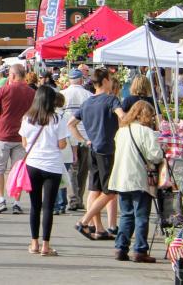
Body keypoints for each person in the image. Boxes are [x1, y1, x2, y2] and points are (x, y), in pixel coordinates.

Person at [71, 67, 125, 241]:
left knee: (95, 189)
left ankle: (99, 228)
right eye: (110, 78)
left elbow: (71, 123)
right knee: (111, 190)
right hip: (108, 149)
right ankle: (84, 221)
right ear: (105, 81)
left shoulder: (87, 102)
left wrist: (83, 139)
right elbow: (122, 116)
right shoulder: (111, 100)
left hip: (93, 147)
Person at [109, 101, 163, 263]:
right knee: (141, 215)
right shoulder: (147, 132)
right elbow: (156, 156)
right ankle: (140, 250)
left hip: (121, 177)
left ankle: (121, 247)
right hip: (138, 178)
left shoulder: (121, 131)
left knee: (126, 214)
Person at [19, 86, 69, 257]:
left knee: (35, 205)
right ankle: (46, 246)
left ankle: (34, 243)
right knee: (48, 206)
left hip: (32, 164)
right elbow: (62, 144)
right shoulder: (57, 119)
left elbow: (24, 144)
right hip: (52, 165)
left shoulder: (27, 118)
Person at [0, 63, 36, 215]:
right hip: (22, 136)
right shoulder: (32, 92)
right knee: (18, 171)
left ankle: (1, 200)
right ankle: (16, 202)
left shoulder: (4, 90)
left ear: (13, 75)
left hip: (2, 134)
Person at [62, 69, 93, 212]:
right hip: (86, 136)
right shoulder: (89, 96)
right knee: (83, 170)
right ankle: (79, 198)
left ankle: (72, 198)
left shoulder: (62, 95)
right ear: (81, 80)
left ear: (69, 80)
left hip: (69, 136)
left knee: (71, 168)